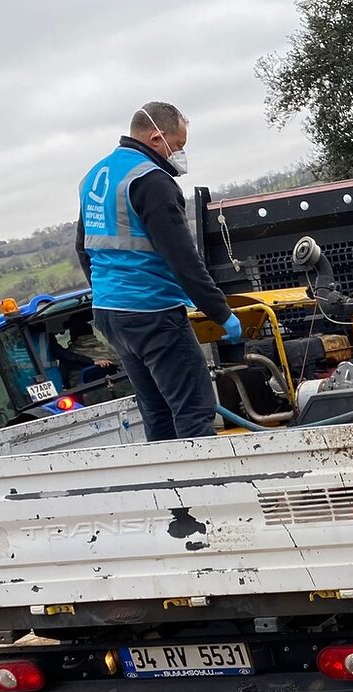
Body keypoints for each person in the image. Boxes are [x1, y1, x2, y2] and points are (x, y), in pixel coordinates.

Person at [75, 102, 239, 440]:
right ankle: (204, 490)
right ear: (156, 137)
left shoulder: (96, 176)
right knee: (194, 409)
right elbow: (183, 258)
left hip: (110, 313)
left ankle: (168, 491)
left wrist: (111, 292)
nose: (179, 153)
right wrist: (221, 313)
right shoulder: (151, 180)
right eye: (178, 145)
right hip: (152, 313)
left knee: (158, 413)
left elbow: (83, 247)